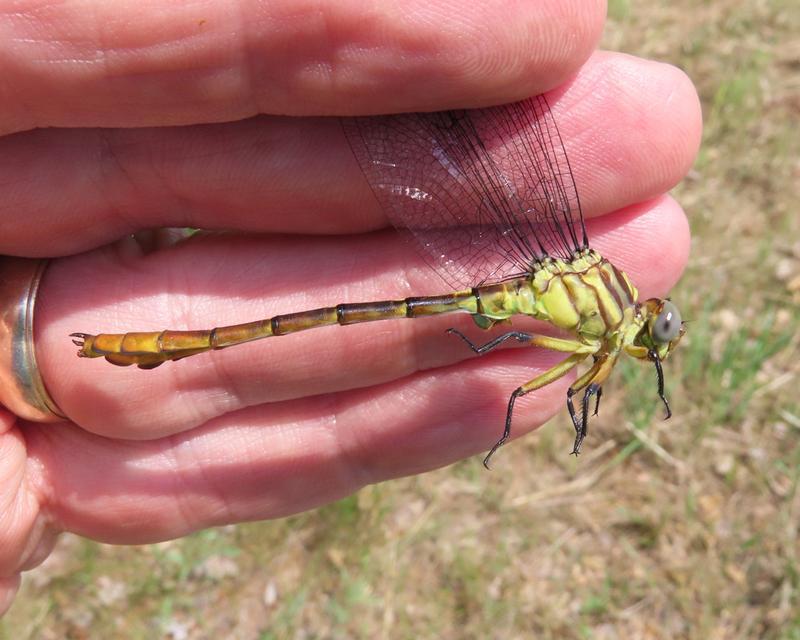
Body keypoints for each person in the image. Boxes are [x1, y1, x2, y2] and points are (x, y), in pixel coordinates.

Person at [0, 0, 700, 614]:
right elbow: (570, 381)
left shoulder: (598, 335)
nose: (650, 339)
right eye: (656, 333)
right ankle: (143, 344)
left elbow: (571, 380)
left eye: (655, 336)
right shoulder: (601, 328)